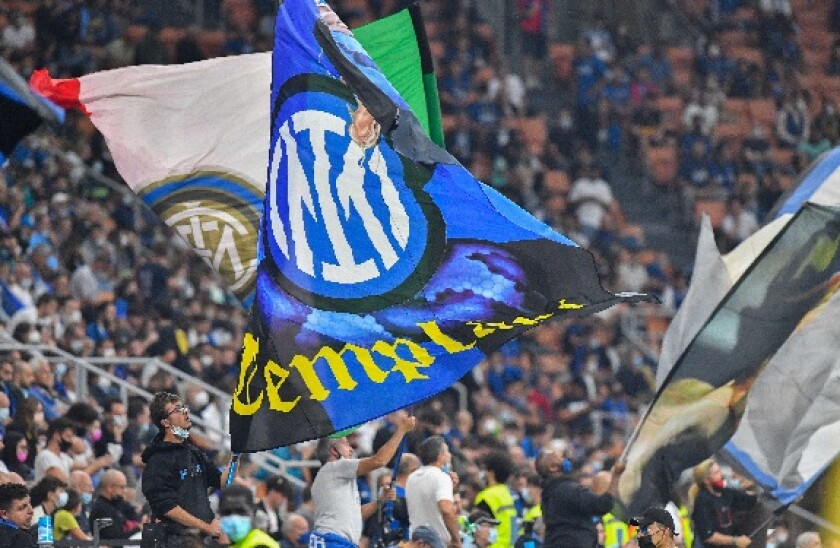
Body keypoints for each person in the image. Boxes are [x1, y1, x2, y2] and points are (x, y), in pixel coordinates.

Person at [310, 409, 415, 547]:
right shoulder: (334, 467)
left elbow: (355, 514)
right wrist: (401, 430)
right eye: (346, 444)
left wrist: (380, 501)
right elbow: (379, 461)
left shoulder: (332, 475)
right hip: (332, 542)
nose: (351, 449)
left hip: (338, 542)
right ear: (333, 450)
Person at [141, 392, 228, 545]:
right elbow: (167, 507)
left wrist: (237, 455)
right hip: (175, 540)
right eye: (177, 410)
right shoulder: (158, 460)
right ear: (166, 422)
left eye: (184, 408)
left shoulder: (193, 452)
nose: (185, 412)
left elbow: (222, 482)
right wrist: (205, 526)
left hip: (201, 538)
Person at [535, 449, 623, 547]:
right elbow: (603, 504)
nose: (565, 460)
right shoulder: (569, 490)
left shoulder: (549, 492)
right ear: (553, 468)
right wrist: (616, 475)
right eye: (560, 458)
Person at [405, 437, 460, 548]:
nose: (450, 455)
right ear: (440, 456)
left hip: (414, 541)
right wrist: (456, 539)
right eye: (447, 451)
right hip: (435, 542)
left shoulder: (412, 477)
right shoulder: (441, 477)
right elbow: (446, 510)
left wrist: (451, 488)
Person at [690, 460, 756, 548]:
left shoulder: (727, 493)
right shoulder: (703, 501)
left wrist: (751, 486)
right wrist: (735, 541)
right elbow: (709, 536)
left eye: (719, 471)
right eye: (717, 473)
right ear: (706, 480)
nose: (722, 475)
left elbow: (750, 502)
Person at [473, 451, 516, 548]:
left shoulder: (486, 496)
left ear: (491, 472)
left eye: (484, 469)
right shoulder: (507, 493)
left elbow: (475, 526)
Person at [89, 469, 140, 539]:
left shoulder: (118, 503)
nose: (124, 491)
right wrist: (138, 529)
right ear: (110, 488)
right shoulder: (101, 509)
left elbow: (135, 515)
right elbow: (114, 540)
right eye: (122, 487)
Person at [0, 482, 35, 548]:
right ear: (4, 514)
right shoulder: (21, 539)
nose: (31, 511)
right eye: (22, 508)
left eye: (30, 504)